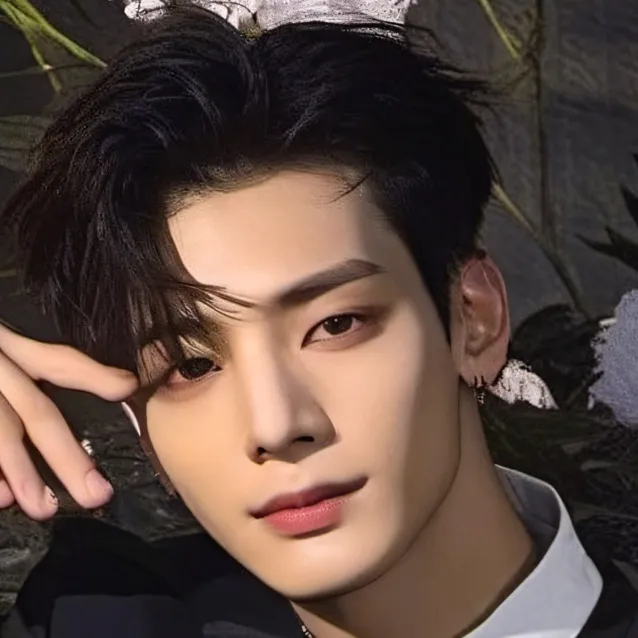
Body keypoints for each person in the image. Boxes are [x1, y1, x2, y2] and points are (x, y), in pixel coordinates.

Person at [0, 5, 637, 637]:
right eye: (192, 366)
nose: (276, 426)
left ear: (475, 317)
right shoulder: (94, 615)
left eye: (336, 325)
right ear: (142, 428)